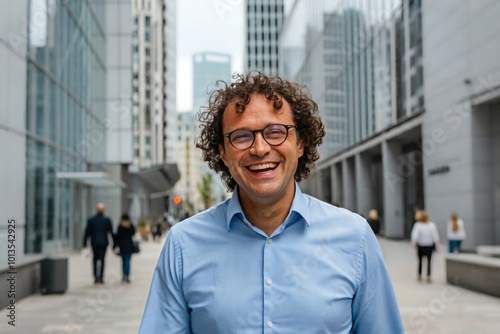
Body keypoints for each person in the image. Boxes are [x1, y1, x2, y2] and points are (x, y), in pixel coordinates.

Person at [138, 72, 404, 333]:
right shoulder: (183, 246)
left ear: (300, 143)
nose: (260, 148)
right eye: (242, 136)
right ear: (223, 154)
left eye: (275, 132)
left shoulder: (355, 238)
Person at [82, 203, 114, 284]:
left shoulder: (91, 220)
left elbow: (87, 232)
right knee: (102, 259)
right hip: (103, 242)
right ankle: (101, 277)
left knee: (95, 259)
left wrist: (85, 243)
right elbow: (111, 232)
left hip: (94, 242)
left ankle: (96, 276)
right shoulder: (107, 220)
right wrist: (114, 243)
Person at [410, 210, 440, 283]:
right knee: (429, 261)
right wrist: (436, 246)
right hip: (429, 246)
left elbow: (414, 237)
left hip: (421, 246)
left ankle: (420, 276)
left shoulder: (418, 225)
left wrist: (414, 244)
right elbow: (435, 236)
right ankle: (428, 276)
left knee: (420, 261)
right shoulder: (432, 225)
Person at [113, 213, 136, 282]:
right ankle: (127, 275)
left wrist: (114, 246)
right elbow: (133, 233)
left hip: (122, 245)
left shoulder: (120, 226)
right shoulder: (130, 225)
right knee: (128, 261)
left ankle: (124, 275)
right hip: (129, 244)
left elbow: (117, 236)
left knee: (123, 261)